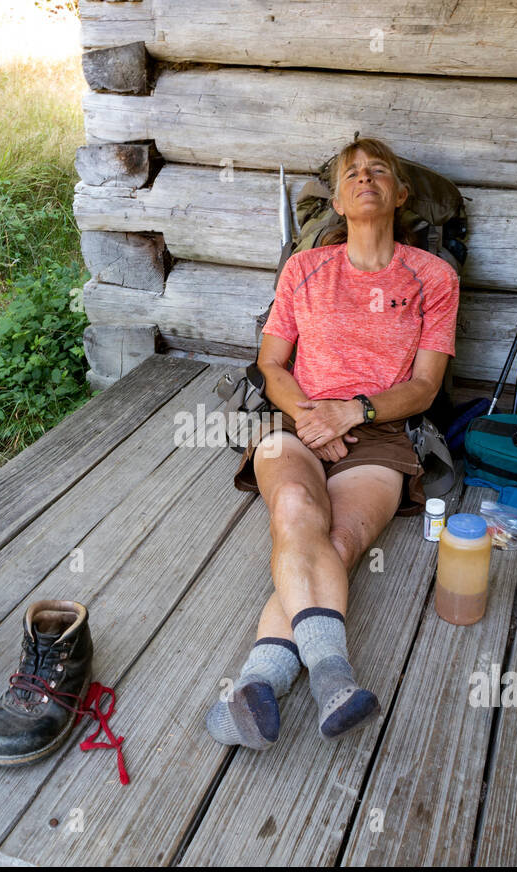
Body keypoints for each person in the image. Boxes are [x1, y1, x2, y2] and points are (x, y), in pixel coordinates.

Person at [208, 136, 460, 750]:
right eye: (351, 174)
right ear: (339, 201)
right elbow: (271, 364)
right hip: (295, 419)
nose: (364, 178)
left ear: (401, 196)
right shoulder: (304, 269)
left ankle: (257, 682)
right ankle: (332, 674)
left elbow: (425, 387)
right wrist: (312, 416)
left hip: (379, 430)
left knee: (340, 541)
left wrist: (353, 413)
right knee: (296, 509)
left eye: (379, 172)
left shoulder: (434, 276)